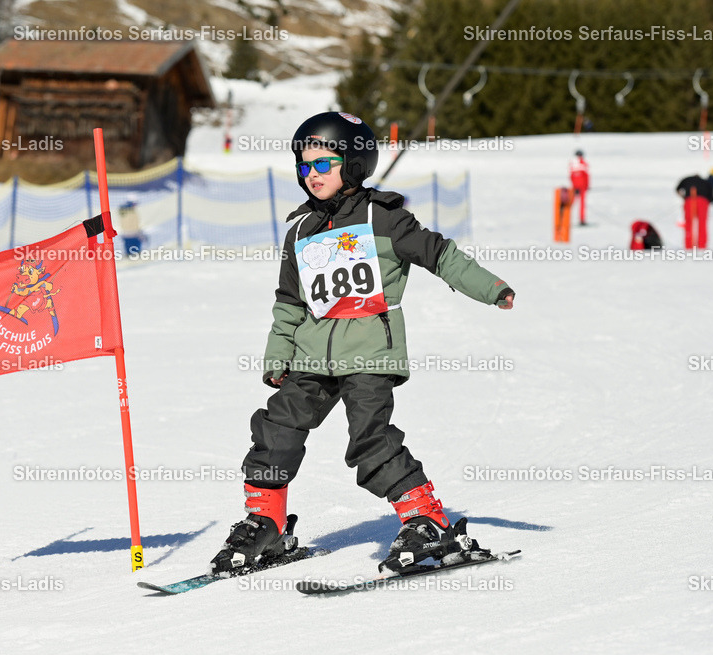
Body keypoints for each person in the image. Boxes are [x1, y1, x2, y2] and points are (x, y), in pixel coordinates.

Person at [209, 112, 515, 576]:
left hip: (369, 353)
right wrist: (279, 355)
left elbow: (439, 253)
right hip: (311, 356)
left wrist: (491, 288)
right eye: (304, 166)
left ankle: (426, 519)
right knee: (276, 429)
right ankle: (266, 522)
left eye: (324, 165)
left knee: (370, 441)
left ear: (352, 165)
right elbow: (290, 301)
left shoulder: (383, 218)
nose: (312, 175)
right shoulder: (300, 230)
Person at [676, 169, 713, 249]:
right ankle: (702, 245)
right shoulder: (705, 182)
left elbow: (678, 189)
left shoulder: (686, 179)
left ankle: (689, 245)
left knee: (689, 223)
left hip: (689, 200)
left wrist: (684, 197)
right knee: (702, 223)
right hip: (703, 202)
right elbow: (711, 196)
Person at [569, 150, 590, 226]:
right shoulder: (576, 164)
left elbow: (586, 176)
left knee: (582, 204)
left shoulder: (581, 163)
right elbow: (572, 177)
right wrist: (575, 187)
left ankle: (582, 220)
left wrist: (587, 186)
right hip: (577, 188)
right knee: (571, 203)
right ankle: (566, 218)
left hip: (582, 187)